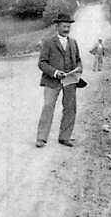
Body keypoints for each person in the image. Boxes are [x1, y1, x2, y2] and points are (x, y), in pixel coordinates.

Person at [36, 13, 82, 148]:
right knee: (48, 107)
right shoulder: (49, 42)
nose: (66, 29)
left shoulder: (73, 42)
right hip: (52, 81)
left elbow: (78, 60)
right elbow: (42, 63)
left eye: (68, 26)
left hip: (70, 81)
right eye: (64, 26)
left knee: (70, 108)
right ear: (57, 26)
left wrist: (79, 68)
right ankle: (41, 138)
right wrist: (55, 73)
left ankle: (65, 137)